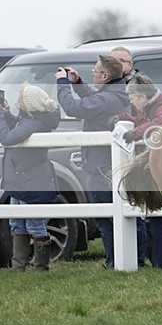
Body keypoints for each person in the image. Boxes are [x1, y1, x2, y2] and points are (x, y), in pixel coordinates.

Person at [56, 55, 133, 268]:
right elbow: (95, 100)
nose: (93, 73)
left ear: (105, 76)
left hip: (101, 168)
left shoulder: (107, 98)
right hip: (109, 165)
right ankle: (125, 260)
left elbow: (74, 108)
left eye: (95, 72)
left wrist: (62, 83)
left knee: (106, 218)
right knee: (116, 216)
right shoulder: (115, 92)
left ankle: (114, 262)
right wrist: (78, 83)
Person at [119, 73, 162, 269]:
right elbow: (144, 120)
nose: (131, 102)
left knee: (160, 219)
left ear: (143, 97)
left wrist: (133, 133)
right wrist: (124, 118)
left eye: (133, 98)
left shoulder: (160, 108)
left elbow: (161, 123)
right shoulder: (154, 105)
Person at [0, 84, 61, 272]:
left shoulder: (34, 123)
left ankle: (40, 267)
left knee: (34, 224)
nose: (17, 102)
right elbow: (19, 128)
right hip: (21, 179)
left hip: (30, 180)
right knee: (17, 223)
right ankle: (19, 266)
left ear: (30, 104)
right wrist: (7, 115)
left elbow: (7, 138)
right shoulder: (33, 120)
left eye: (21, 99)